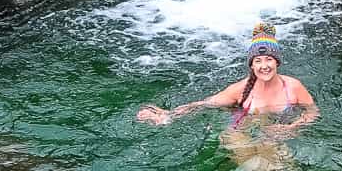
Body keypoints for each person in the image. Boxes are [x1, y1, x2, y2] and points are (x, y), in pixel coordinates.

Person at [136, 22, 318, 140]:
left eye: (269, 59)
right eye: (258, 61)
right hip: (244, 134)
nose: (264, 66)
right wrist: (168, 115)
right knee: (258, 167)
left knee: (278, 170)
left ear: (277, 61)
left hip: (276, 136)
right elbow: (204, 104)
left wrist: (293, 128)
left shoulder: (293, 86)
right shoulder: (240, 90)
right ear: (252, 65)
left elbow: (312, 112)